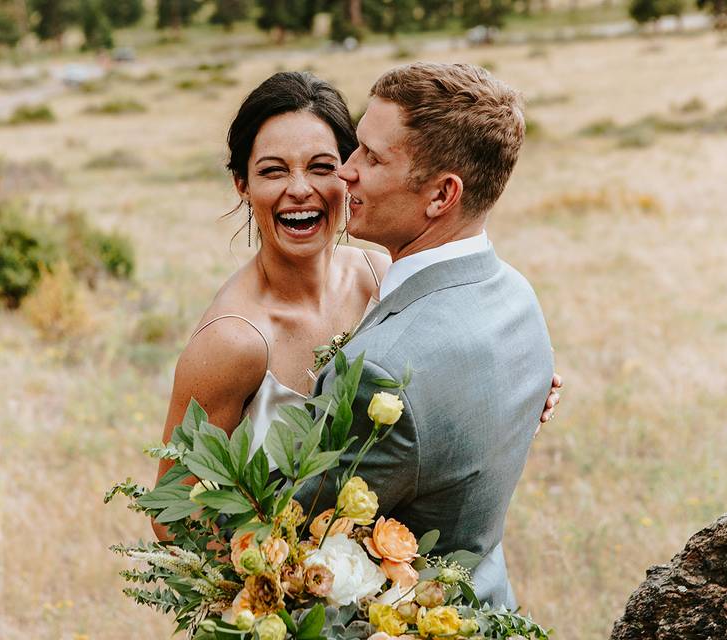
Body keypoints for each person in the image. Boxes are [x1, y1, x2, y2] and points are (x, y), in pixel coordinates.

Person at [153, 70, 561, 542]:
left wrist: (509, 393)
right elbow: (173, 518)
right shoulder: (231, 342)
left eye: (323, 166)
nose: (300, 188)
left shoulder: (379, 273)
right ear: (242, 184)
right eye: (272, 170)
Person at [294, 62, 555, 609]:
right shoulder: (517, 297)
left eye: (371, 156)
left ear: (441, 196)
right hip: (489, 604)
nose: (346, 172)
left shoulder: (380, 374)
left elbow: (298, 533)